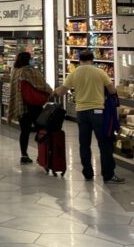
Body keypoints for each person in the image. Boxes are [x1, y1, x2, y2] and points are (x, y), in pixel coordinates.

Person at [53, 50, 125, 184]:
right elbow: (112, 90)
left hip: (81, 112)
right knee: (104, 144)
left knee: (84, 144)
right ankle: (108, 175)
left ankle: (88, 173)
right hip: (98, 111)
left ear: (80, 60)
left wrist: (53, 92)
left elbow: (62, 91)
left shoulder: (74, 73)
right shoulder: (99, 72)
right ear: (92, 59)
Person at [7, 52, 52, 164]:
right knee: (41, 130)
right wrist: (51, 92)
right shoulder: (30, 71)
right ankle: (42, 154)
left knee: (24, 131)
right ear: (28, 60)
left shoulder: (16, 72)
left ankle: (24, 155)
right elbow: (42, 85)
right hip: (34, 106)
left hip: (22, 106)